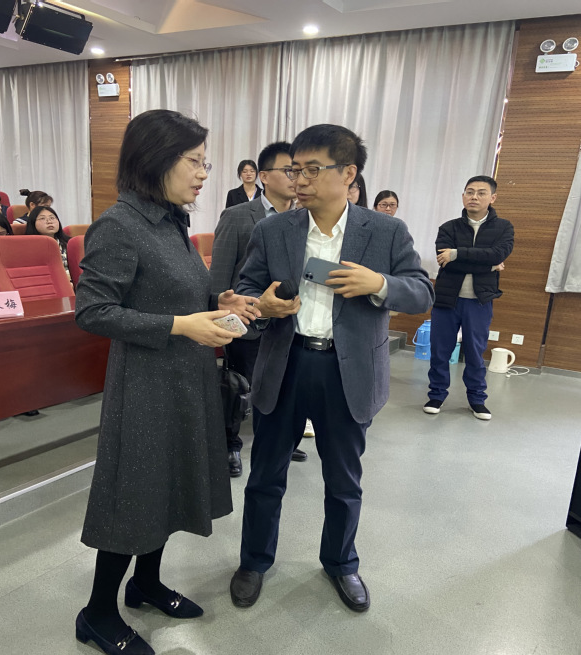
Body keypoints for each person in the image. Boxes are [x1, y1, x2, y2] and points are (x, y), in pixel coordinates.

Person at [73, 109, 260, 655]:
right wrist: (180, 325)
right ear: (156, 160)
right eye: (194, 161)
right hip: (145, 388)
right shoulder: (119, 225)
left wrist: (219, 302)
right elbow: (93, 311)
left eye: (206, 163)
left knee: (170, 485)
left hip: (185, 380)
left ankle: (146, 584)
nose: (203, 173)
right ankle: (97, 611)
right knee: (134, 495)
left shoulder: (171, 222)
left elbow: (175, 293)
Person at [229, 124, 433, 613]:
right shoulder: (273, 230)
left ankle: (341, 563)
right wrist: (262, 306)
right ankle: (253, 561)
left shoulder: (385, 231)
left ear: (348, 174)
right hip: (286, 362)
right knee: (265, 475)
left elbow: (422, 291)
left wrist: (378, 284)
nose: (299, 180)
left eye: (312, 170)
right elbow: (247, 289)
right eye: (295, 169)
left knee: (344, 481)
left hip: (348, 371)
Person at [210, 141, 307, 477]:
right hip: (247, 320)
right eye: (289, 170)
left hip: (289, 323)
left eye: (300, 171)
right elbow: (219, 279)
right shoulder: (238, 216)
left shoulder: (304, 219)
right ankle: (230, 445)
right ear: (264, 176)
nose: (296, 178)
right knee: (238, 386)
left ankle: (284, 440)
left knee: (287, 386)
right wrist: (227, 322)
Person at [423, 175, 514, 420]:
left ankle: (477, 399)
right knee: (440, 351)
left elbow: (498, 254)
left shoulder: (503, 228)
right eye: (469, 192)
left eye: (481, 193)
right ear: (463, 196)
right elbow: (446, 262)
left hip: (479, 301)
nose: (474, 197)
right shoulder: (448, 227)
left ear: (492, 198)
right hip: (446, 299)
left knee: (475, 352)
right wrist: (489, 266)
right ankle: (436, 395)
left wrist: (457, 253)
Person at [25, 205, 70, 270]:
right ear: (33, 223)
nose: (49, 222)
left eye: (52, 218)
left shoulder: (69, 243)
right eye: (42, 218)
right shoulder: (28, 248)